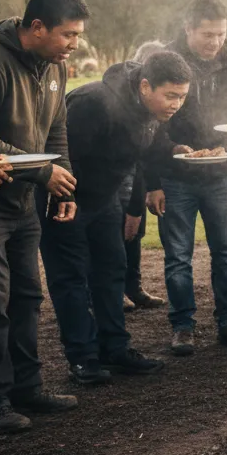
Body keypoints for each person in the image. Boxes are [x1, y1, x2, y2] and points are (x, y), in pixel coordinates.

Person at [40, 52, 192, 385]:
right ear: (146, 86)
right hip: (66, 200)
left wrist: (174, 150)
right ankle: (83, 358)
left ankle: (115, 349)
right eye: (171, 96)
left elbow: (148, 146)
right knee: (71, 278)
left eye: (182, 96)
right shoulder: (94, 102)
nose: (176, 104)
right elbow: (60, 153)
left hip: (104, 200)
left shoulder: (147, 109)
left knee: (112, 271)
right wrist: (64, 198)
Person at [0, 0, 86, 432]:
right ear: (36, 27)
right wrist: (42, 174)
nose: (74, 44)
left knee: (27, 297)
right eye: (68, 35)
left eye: (78, 36)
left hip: (25, 205)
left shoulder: (55, 68)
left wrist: (63, 187)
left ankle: (28, 387)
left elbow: (55, 130)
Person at [147, 0, 227, 356]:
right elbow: (148, 123)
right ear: (188, 28)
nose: (215, 42)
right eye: (207, 34)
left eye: (221, 34)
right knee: (178, 255)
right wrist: (155, 179)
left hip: (224, 170)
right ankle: (182, 327)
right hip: (176, 175)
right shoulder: (166, 60)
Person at [121, 40, 167, 312]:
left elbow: (149, 154)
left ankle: (133, 287)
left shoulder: (155, 108)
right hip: (115, 182)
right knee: (115, 236)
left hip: (138, 179)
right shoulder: (124, 105)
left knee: (134, 234)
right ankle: (112, 291)